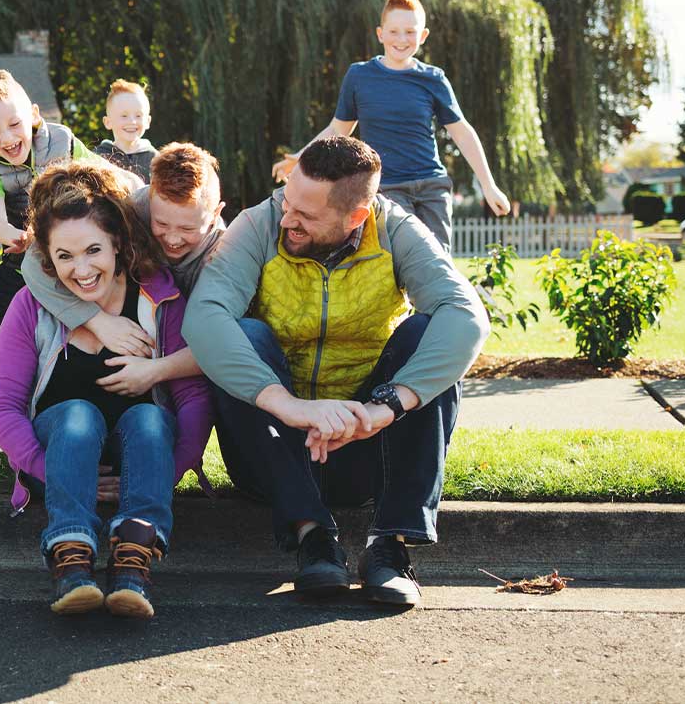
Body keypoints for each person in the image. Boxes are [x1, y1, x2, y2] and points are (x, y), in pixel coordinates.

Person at [184, 135, 489, 605]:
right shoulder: (258, 225)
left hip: (366, 443)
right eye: (288, 202)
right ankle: (313, 538)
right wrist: (290, 408)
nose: (287, 219)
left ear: (356, 217)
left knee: (427, 333)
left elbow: (465, 315)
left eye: (306, 215)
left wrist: (385, 407)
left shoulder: (394, 229)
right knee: (244, 334)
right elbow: (204, 318)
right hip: (271, 449)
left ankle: (389, 548)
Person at [0, 160, 213, 618]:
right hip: (60, 453)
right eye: (64, 256)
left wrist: (165, 473)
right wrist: (55, 472)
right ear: (47, 258)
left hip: (141, 454)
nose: (81, 269)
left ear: (118, 245)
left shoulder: (160, 301)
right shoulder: (32, 305)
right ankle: (71, 559)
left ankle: (134, 564)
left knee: (149, 417)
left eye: (93, 251)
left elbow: (193, 400)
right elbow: (1, 408)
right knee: (77, 414)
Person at [0, 69, 95, 489]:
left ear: (33, 115)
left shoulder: (63, 142)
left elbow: (104, 187)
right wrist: (15, 235)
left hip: (67, 263)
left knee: (25, 355)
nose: (6, 138)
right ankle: (23, 392)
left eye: (13, 124)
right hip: (22, 261)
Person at [271, 0, 510, 251]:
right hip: (389, 187)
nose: (402, 39)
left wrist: (489, 186)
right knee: (401, 257)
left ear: (423, 36)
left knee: (437, 261)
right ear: (380, 34)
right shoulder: (359, 76)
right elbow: (338, 130)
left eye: (410, 32)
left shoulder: (434, 79)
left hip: (432, 187)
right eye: (394, 31)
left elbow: (462, 133)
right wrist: (301, 157)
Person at [22, 142, 225, 396]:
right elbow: (33, 260)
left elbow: (222, 343)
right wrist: (97, 321)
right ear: (150, 196)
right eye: (161, 223)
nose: (173, 239)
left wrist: (156, 370)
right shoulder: (132, 209)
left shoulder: (223, 255)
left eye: (187, 229)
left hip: (185, 342)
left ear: (216, 214)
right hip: (133, 318)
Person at [93, 80, 158, 183]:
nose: (132, 121)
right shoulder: (97, 159)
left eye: (138, 116)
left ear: (147, 121)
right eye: (124, 116)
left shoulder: (156, 161)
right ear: (108, 122)